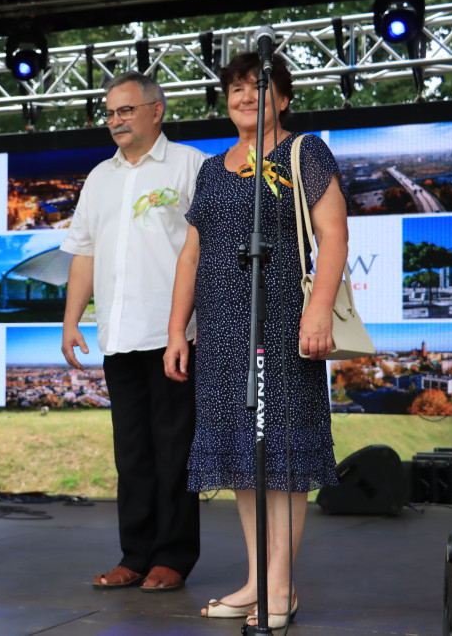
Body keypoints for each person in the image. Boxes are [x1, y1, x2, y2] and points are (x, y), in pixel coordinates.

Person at [164, 52, 347, 629]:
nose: (246, 96)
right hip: (219, 334)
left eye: (258, 86)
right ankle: (256, 580)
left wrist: (318, 311)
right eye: (237, 88)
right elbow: (191, 254)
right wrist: (177, 330)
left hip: (281, 324)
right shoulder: (215, 169)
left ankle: (281, 588)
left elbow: (334, 233)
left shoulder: (304, 151)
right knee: (245, 460)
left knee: (282, 456)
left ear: (284, 98)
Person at [60, 72, 205, 592]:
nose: (115, 120)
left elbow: (204, 254)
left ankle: (173, 556)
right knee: (132, 454)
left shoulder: (191, 165)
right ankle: (135, 554)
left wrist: (186, 329)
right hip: (118, 337)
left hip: (173, 337)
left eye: (125, 110)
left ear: (156, 111)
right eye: (109, 112)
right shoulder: (99, 177)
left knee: (175, 449)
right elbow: (84, 252)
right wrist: (72, 318)